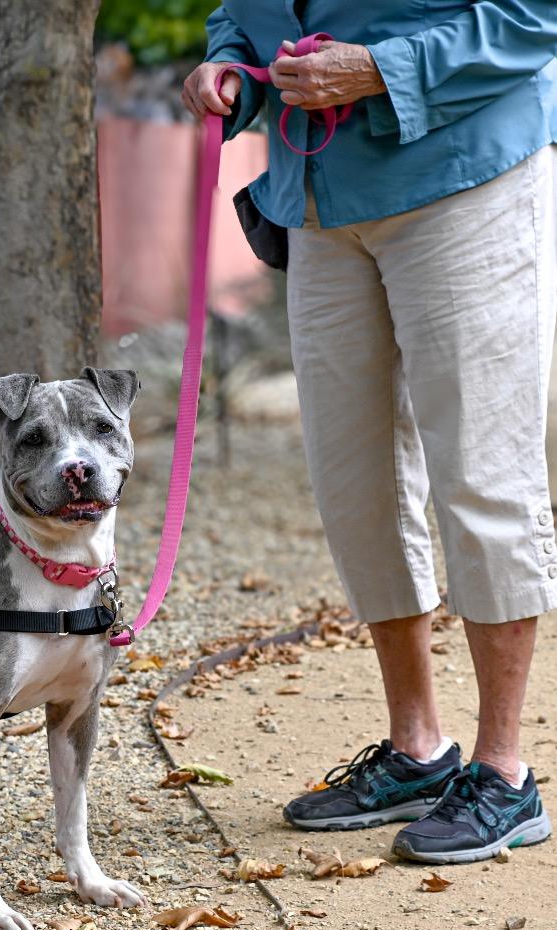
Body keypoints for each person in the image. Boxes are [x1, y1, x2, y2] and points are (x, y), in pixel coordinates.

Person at [183, 1, 557, 864]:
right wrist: (229, 70)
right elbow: (237, 13)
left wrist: (387, 70)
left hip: (467, 175)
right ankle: (417, 749)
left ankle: (506, 772)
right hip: (317, 199)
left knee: (482, 472)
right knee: (355, 480)